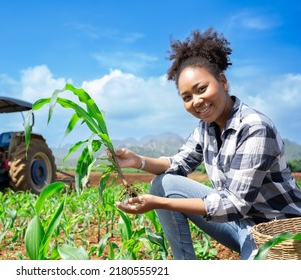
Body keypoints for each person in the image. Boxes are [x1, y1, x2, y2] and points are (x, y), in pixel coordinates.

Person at [109, 28, 301, 260]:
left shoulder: (254, 127)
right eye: (187, 97)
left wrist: (159, 204)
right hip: (241, 225)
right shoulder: (206, 128)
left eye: (202, 89)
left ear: (222, 81)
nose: (197, 102)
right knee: (163, 183)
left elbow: (234, 204)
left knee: (162, 195)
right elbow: (177, 164)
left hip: (278, 234)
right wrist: (137, 161)